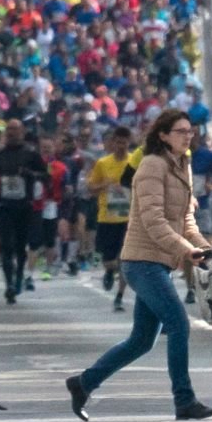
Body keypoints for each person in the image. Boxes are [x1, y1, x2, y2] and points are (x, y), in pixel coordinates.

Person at [65, 109, 212, 422]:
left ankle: (83, 383)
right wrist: (185, 250)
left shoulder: (183, 164)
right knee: (179, 324)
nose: (187, 136)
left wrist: (203, 245)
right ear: (163, 135)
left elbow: (184, 217)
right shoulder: (152, 165)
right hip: (141, 261)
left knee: (141, 341)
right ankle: (184, 401)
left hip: (160, 262)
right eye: (180, 131)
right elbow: (153, 220)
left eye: (190, 132)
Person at [0, 119, 47, 304]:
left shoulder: (31, 154)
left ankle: (19, 275)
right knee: (6, 245)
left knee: (20, 245)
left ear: (22, 132)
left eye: (15, 129)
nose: (12, 133)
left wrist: (31, 174)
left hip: (25, 207)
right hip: (4, 206)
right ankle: (9, 285)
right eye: (9, 129)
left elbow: (46, 176)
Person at [87, 126, 134, 311]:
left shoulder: (134, 162)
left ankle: (119, 296)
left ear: (128, 143)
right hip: (107, 217)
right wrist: (104, 184)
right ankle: (108, 271)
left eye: (124, 142)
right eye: (118, 142)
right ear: (112, 143)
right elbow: (91, 188)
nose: (121, 145)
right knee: (109, 260)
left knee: (125, 259)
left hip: (128, 218)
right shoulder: (103, 163)